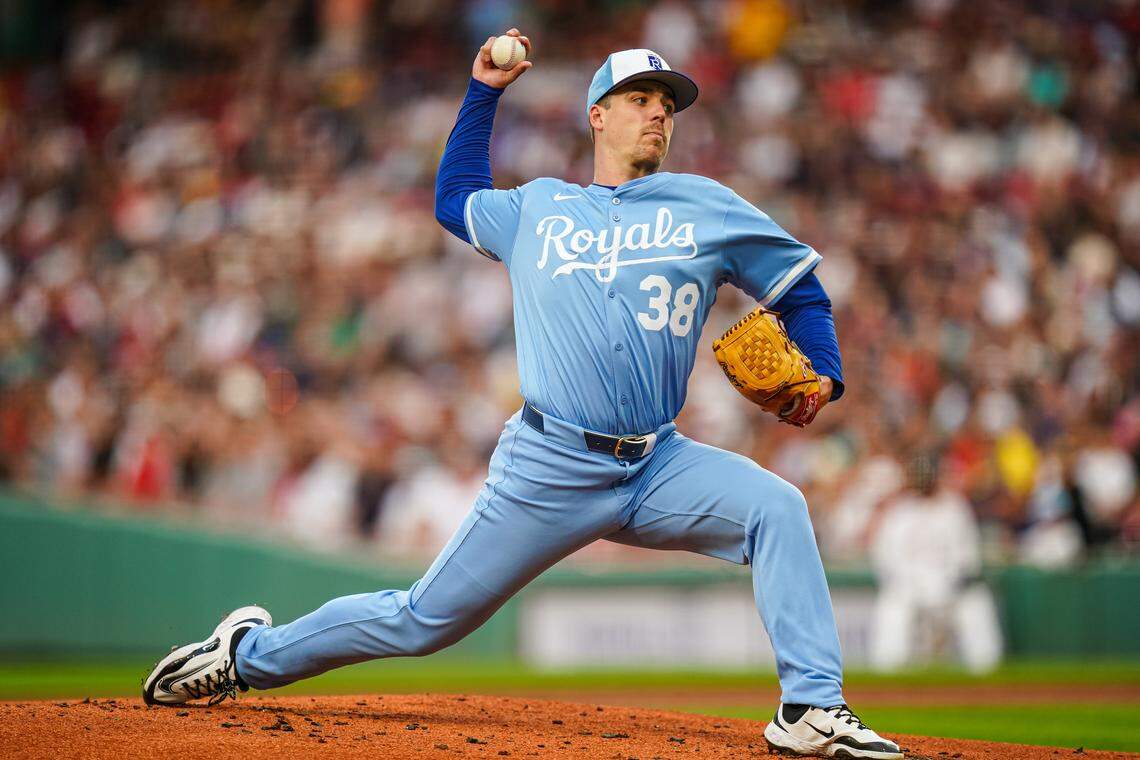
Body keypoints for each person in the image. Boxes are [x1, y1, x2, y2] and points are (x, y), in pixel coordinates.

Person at [143, 31, 902, 760]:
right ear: (597, 115)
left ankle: (809, 707)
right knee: (421, 622)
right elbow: (453, 199)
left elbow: (802, 291)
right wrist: (483, 92)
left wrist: (827, 374)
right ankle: (246, 656)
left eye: (667, 102)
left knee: (778, 507)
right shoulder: (537, 207)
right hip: (548, 465)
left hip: (658, 464)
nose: (659, 111)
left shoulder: (705, 205)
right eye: (640, 97)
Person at [870, 452, 1003, 673]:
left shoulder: (955, 507)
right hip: (910, 588)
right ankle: (888, 674)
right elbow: (885, 557)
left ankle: (986, 673)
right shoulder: (899, 511)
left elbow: (968, 556)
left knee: (976, 603)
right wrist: (908, 583)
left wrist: (951, 583)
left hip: (950, 587)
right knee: (891, 606)